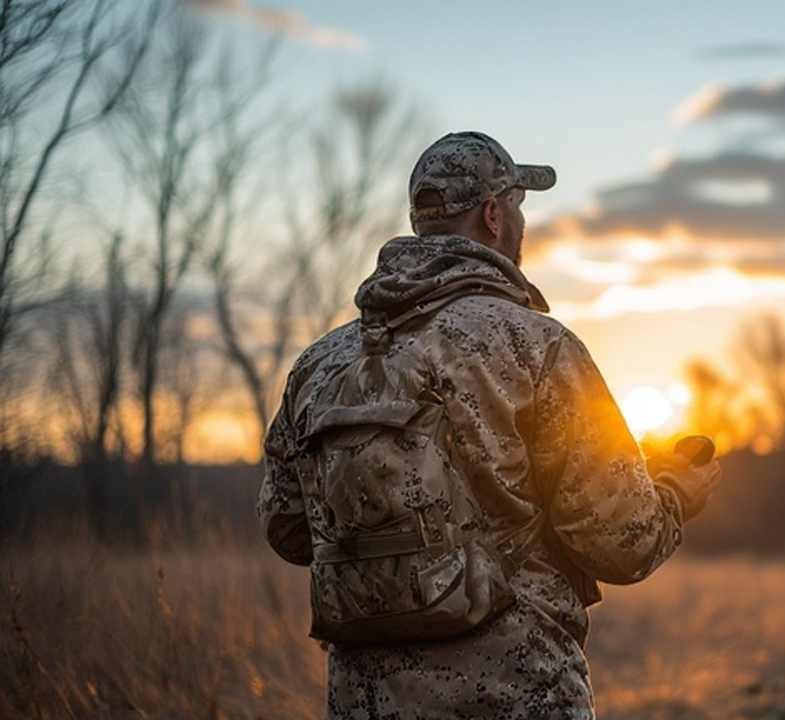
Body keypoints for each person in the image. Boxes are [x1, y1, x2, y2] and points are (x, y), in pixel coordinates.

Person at [258, 131, 722, 719]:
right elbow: (620, 543)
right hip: (517, 693)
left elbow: (286, 528)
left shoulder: (321, 363)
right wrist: (676, 493)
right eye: (520, 207)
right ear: (494, 214)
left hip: (364, 701)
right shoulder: (537, 347)